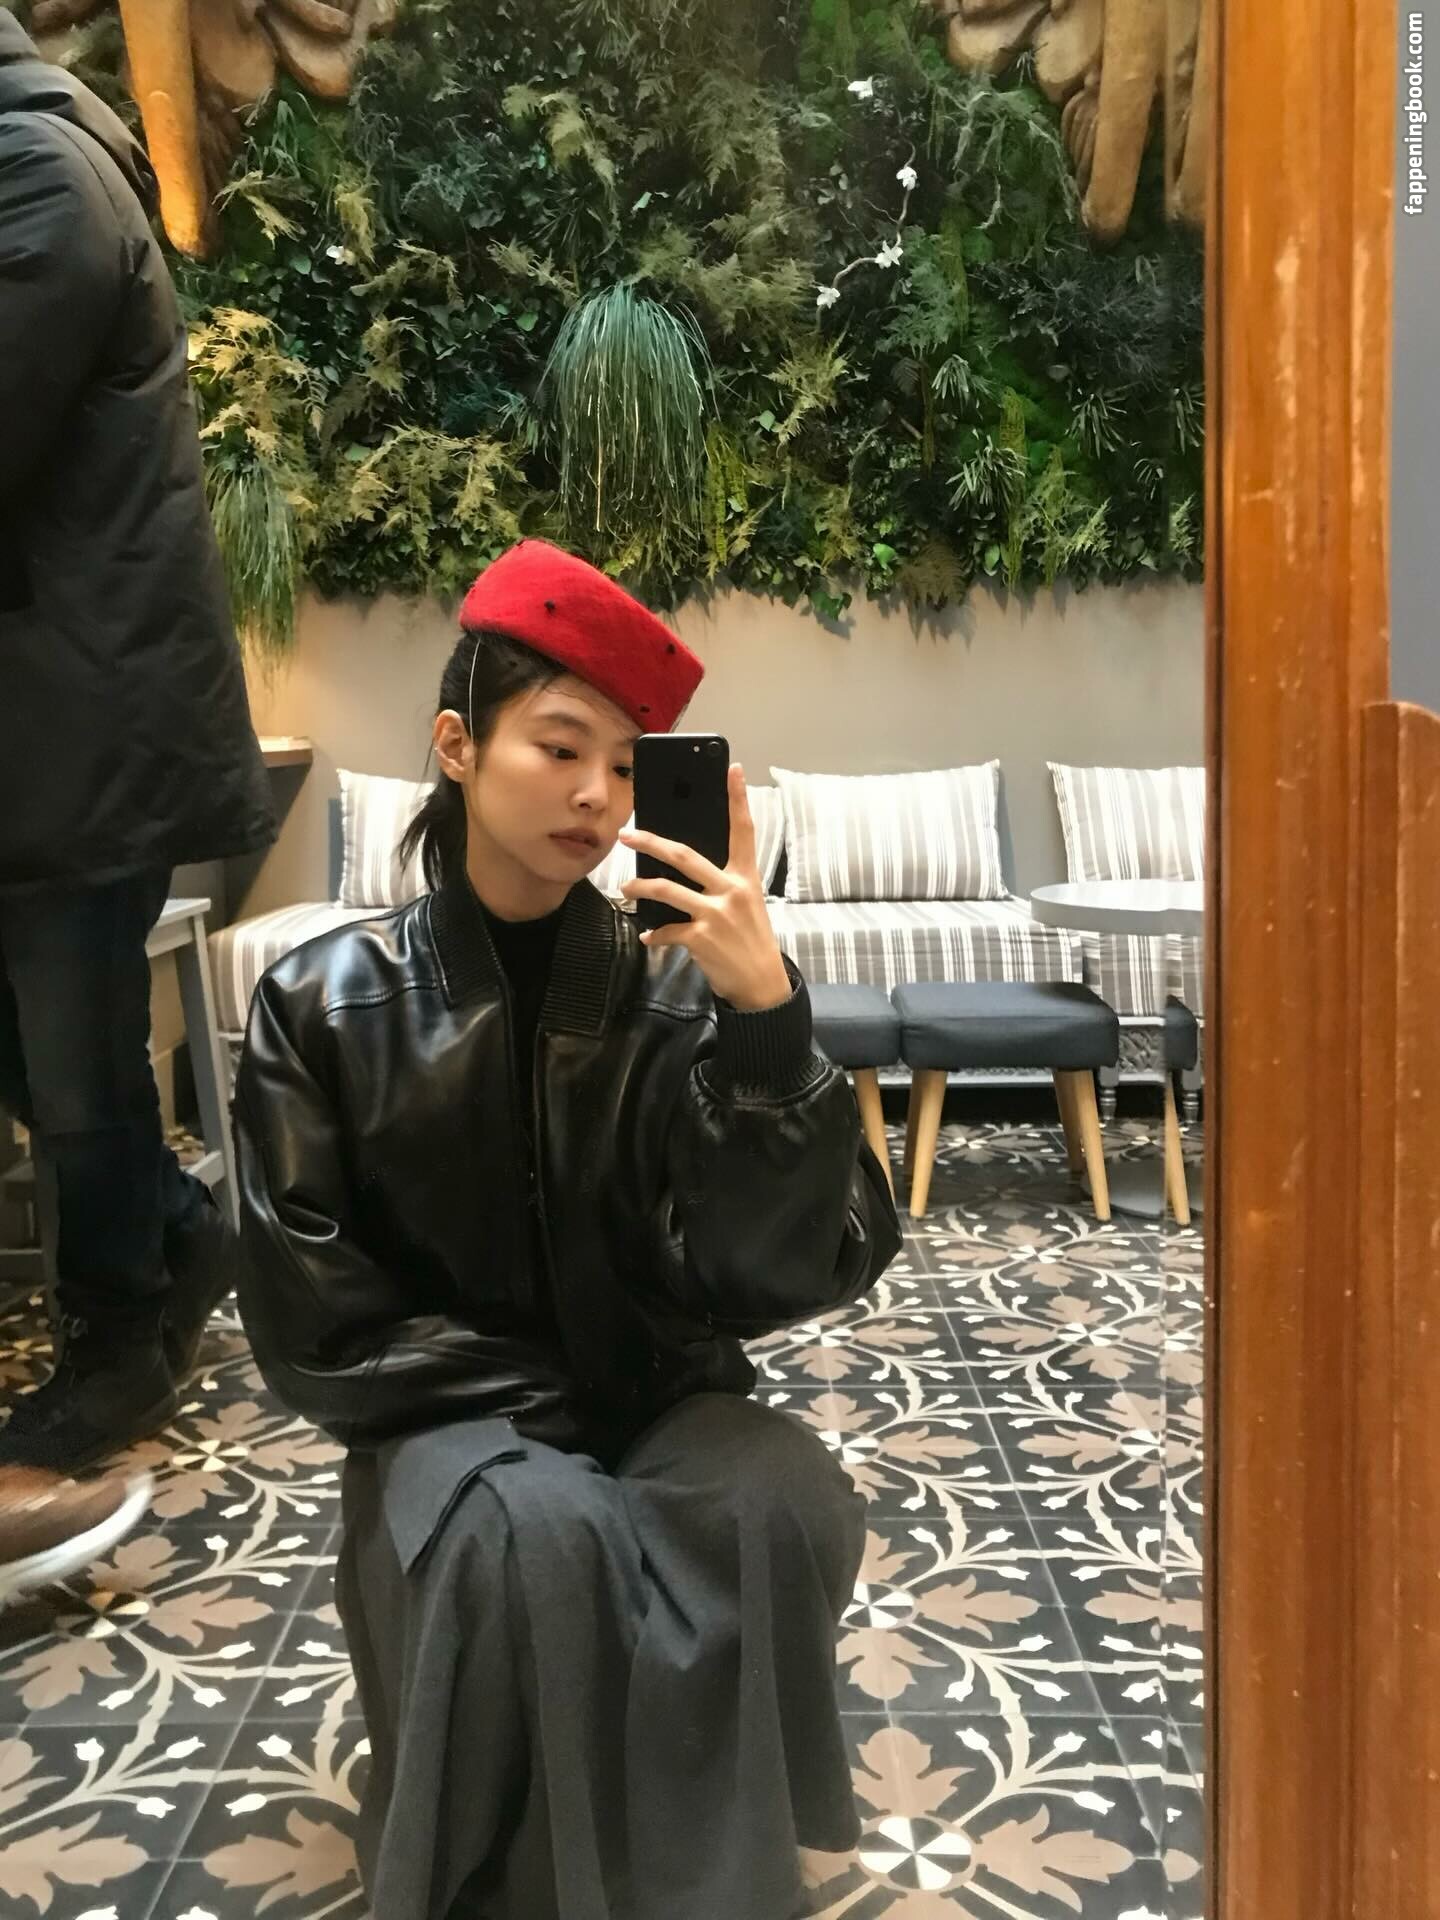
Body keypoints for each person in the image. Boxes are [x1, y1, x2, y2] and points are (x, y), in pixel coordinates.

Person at [234, 538, 903, 1920]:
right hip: (444, 1418)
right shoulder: (324, 1004)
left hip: (656, 1399)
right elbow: (310, 1321)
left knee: (773, 1491)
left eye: (626, 764)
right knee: (540, 1525)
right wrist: (533, 1400)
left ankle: (705, 1865)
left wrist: (766, 1027)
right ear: (457, 747)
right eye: (558, 747)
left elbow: (789, 1269)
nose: (598, 796)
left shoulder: (684, 996)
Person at [0, 2, 275, 1545]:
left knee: (82, 1072)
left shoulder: (40, 180)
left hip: (79, 733)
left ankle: (118, 1345)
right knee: (56, 1064)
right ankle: (177, 1229)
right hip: (50, 728)